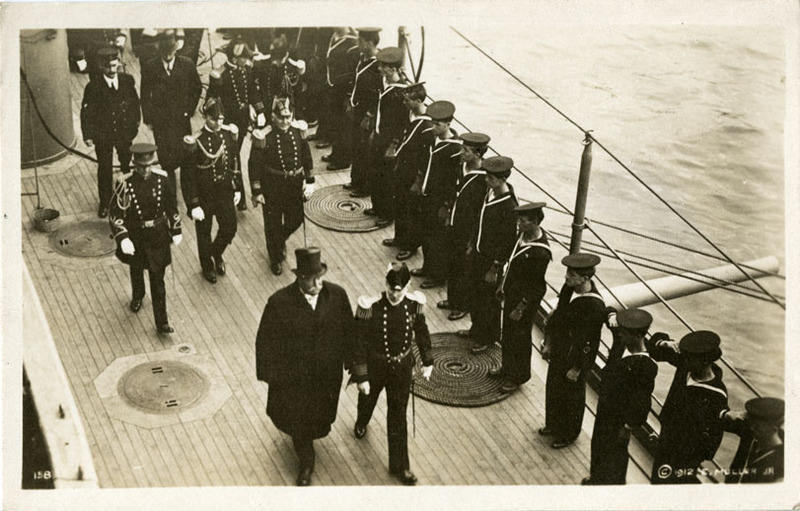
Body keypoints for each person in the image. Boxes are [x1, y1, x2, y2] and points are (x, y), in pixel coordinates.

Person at [255, 247, 356, 486]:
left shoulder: (337, 296)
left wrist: (354, 365)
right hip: (295, 381)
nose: (319, 283)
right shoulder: (279, 303)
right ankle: (306, 462)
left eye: (320, 277)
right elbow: (265, 341)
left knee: (320, 417)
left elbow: (349, 332)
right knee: (300, 421)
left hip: (325, 378)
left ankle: (308, 444)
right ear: (300, 278)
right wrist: (273, 376)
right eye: (313, 279)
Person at [351, 263, 433, 485]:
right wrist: (361, 376)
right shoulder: (371, 308)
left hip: (401, 370)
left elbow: (421, 331)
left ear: (406, 287)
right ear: (385, 283)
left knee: (398, 417)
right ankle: (362, 421)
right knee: (367, 400)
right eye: (391, 287)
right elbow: (357, 343)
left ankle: (400, 467)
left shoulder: (413, 307)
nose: (394, 294)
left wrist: (428, 361)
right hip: (376, 367)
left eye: (399, 289)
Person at [108, 143, 182, 334]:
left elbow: (171, 207)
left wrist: (176, 229)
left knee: (158, 281)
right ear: (135, 165)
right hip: (137, 235)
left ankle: (162, 322)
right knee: (137, 268)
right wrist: (123, 238)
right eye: (141, 167)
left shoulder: (162, 180)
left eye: (148, 166)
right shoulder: (125, 184)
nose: (145, 170)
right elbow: (115, 214)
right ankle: (138, 295)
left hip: (157, 235)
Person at [581, 308, 658, 485]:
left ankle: (613, 486)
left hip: (619, 419)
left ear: (638, 336)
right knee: (598, 445)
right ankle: (597, 478)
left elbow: (641, 401)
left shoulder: (646, 366)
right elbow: (609, 311)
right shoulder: (622, 340)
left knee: (615, 454)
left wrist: (628, 426)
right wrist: (611, 315)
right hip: (605, 409)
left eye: (624, 332)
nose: (620, 334)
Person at [539, 253, 606, 449]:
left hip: (575, 358)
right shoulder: (569, 289)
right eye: (568, 273)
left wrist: (578, 367)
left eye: (572, 274)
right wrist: (549, 343)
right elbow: (558, 316)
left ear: (585, 279)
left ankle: (568, 433)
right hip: (560, 350)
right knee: (554, 388)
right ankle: (553, 424)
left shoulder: (594, 305)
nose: (567, 277)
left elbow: (590, 342)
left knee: (572, 398)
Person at [647, 330, 729, 484]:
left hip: (685, 453)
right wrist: (664, 343)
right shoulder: (688, 365)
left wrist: (696, 456)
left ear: (705, 361)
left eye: (691, 358)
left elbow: (714, 434)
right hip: (666, 438)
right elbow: (654, 348)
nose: (686, 360)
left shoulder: (716, 394)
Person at [489, 202, 552, 393]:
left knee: (520, 339)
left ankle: (518, 376)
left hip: (523, 303)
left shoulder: (540, 252)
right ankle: (507, 368)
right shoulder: (523, 236)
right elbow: (512, 264)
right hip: (512, 295)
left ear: (534, 222)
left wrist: (521, 307)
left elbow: (537, 287)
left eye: (523, 221)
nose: (518, 223)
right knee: (508, 335)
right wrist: (502, 285)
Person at [248, 97, 314, 276]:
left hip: (294, 185)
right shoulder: (264, 136)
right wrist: (257, 191)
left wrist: (309, 182)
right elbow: (254, 164)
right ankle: (275, 258)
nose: (285, 121)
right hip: (273, 186)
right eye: (281, 117)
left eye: (288, 117)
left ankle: (280, 239)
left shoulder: (298, 131)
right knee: (272, 224)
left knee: (296, 218)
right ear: (273, 116)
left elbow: (306, 157)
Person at [182, 98, 243, 284]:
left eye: (221, 119)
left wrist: (238, 188)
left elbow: (234, 162)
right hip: (204, 195)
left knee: (230, 228)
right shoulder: (195, 141)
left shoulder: (227, 136)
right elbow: (188, 176)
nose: (218, 123)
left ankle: (216, 253)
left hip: (224, 192)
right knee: (203, 232)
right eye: (214, 119)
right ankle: (207, 266)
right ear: (205, 117)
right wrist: (193, 204)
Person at [462, 156, 518, 352]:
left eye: (491, 179)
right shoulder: (490, 194)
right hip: (478, 254)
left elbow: (507, 241)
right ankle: (476, 329)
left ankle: (487, 338)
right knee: (474, 294)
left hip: (490, 262)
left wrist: (495, 267)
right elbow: (479, 221)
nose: (487, 180)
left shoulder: (509, 207)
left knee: (488, 301)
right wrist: (471, 243)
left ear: (503, 179)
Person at [140, 30, 202, 195]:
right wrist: (148, 118)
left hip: (181, 121)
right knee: (167, 159)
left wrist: (188, 110)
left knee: (185, 156)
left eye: (171, 53)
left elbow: (197, 88)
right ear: (159, 51)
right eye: (165, 53)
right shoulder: (150, 67)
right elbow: (145, 94)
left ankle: (188, 192)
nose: (168, 56)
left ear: (176, 50)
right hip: (161, 123)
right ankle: (171, 194)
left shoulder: (187, 65)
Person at [80, 46, 141, 218]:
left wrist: (134, 125)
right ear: (101, 67)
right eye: (108, 67)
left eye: (115, 66)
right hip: (103, 135)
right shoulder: (93, 87)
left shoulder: (127, 80)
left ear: (119, 64)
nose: (112, 70)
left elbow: (135, 104)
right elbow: (86, 112)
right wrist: (88, 135)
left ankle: (128, 196)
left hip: (124, 134)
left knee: (126, 165)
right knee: (105, 168)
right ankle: (105, 202)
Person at [409, 100, 463, 289]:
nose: (433, 127)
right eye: (432, 123)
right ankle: (427, 266)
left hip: (439, 202)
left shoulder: (455, 150)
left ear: (448, 124)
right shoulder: (432, 140)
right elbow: (424, 165)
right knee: (426, 234)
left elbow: (454, 182)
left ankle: (438, 275)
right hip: (426, 196)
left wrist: (447, 206)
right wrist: (418, 183)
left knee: (438, 240)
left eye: (438, 124)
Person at [437, 132, 490, 321]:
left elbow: (480, 213)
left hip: (468, 230)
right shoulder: (462, 167)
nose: (461, 152)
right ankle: (453, 299)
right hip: (454, 223)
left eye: (465, 150)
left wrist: (472, 239)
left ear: (477, 154)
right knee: (452, 263)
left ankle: (463, 305)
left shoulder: (484, 179)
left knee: (463, 268)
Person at [385, 82, 434, 261]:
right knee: (399, 204)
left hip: (413, 174)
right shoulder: (411, 114)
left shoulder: (427, 126)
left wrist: (419, 181)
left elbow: (425, 157)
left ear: (418, 101)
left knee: (411, 210)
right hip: (402, 168)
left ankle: (410, 245)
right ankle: (399, 237)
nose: (404, 103)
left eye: (407, 100)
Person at [365, 46, 409, 227]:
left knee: (386, 178)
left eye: (384, 66)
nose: (380, 69)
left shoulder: (400, 93)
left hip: (389, 141)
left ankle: (387, 213)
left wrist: (394, 144)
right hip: (378, 136)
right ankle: (377, 206)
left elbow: (402, 123)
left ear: (393, 69)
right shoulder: (385, 85)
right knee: (375, 173)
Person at [344, 27, 382, 197]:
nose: (358, 44)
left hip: (367, 115)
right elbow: (357, 83)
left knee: (365, 151)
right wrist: (350, 102)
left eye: (361, 42)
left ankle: (364, 187)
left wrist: (369, 116)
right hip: (357, 110)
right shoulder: (363, 58)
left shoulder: (378, 66)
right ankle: (355, 180)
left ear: (369, 43)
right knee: (356, 147)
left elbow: (378, 95)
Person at [317, 27, 359, 163]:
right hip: (334, 87)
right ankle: (335, 153)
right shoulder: (334, 37)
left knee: (344, 126)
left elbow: (353, 73)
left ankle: (343, 159)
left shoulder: (352, 44)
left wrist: (348, 96)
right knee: (335, 123)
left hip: (343, 90)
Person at [721, 397, 784, 484]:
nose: (751, 427)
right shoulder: (751, 431)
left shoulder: (782, 459)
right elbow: (716, 421)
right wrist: (723, 414)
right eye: (751, 423)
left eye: (757, 426)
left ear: (773, 428)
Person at [253, 33, 306, 111]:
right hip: (266, 109)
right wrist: (260, 111)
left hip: (286, 111)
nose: (276, 63)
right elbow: (255, 90)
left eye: (279, 60)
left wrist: (297, 115)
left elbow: (297, 94)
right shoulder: (264, 67)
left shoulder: (291, 69)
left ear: (286, 56)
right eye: (274, 60)